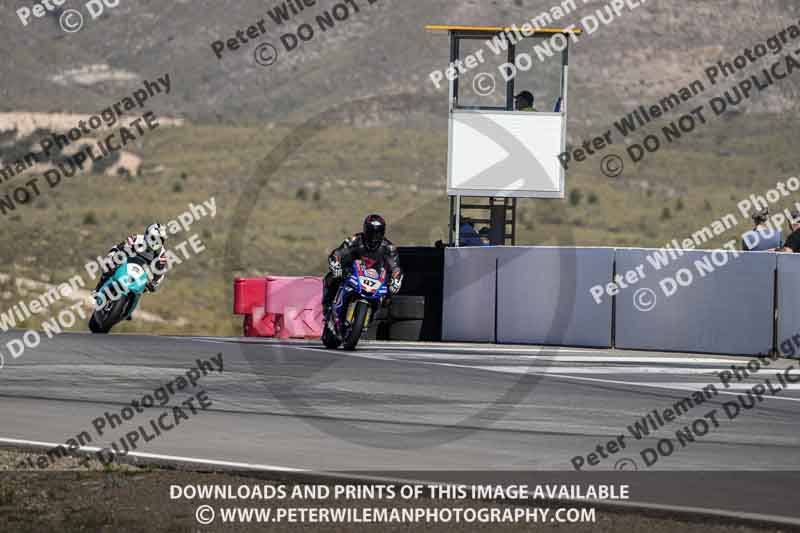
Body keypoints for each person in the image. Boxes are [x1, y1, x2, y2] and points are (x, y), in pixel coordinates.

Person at [323, 214, 403, 315]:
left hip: (376, 279)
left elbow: (396, 268)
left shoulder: (389, 248)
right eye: (371, 232)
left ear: (383, 232)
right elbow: (338, 253)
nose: (374, 237)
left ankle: (382, 316)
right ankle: (327, 305)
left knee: (390, 295)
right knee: (331, 277)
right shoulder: (355, 239)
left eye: (378, 233)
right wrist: (336, 264)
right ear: (365, 230)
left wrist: (396, 280)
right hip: (352, 274)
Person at [93, 223, 169, 296]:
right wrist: (112, 256)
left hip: (143, 272)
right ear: (147, 235)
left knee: (148, 288)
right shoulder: (136, 239)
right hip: (126, 262)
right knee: (109, 264)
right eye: (153, 238)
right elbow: (119, 247)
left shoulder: (161, 253)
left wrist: (154, 283)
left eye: (160, 240)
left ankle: (131, 301)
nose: (156, 242)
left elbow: (160, 272)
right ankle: (97, 289)